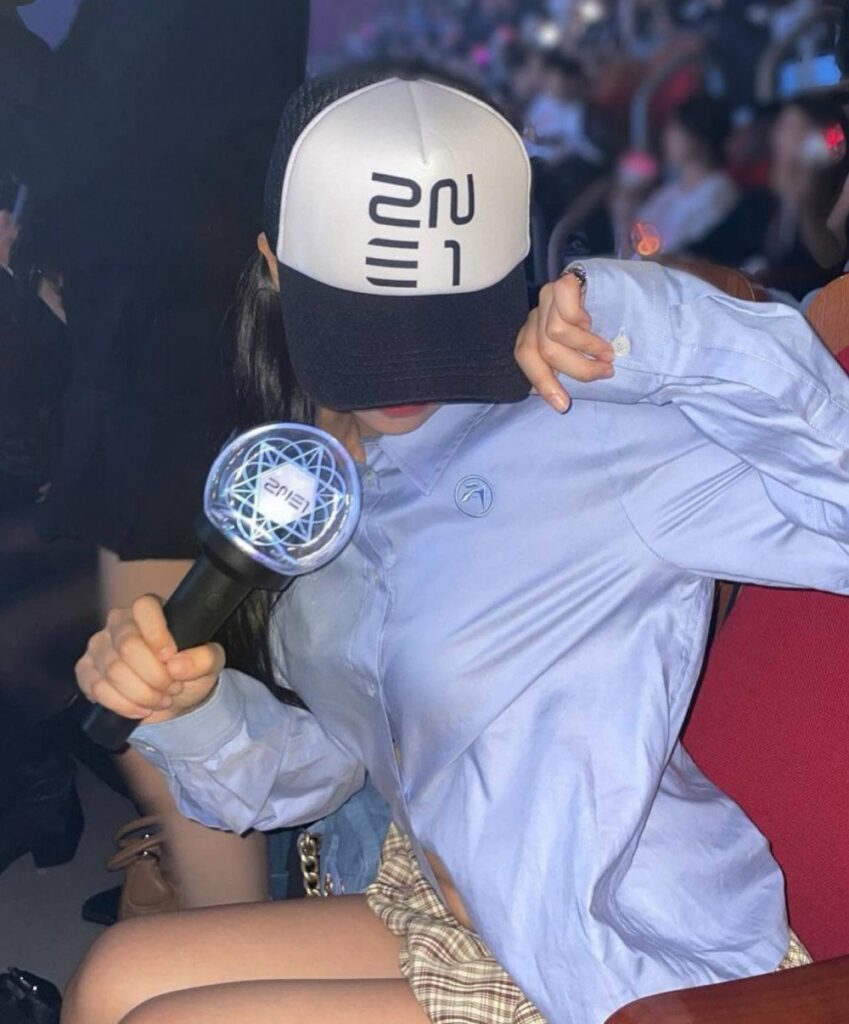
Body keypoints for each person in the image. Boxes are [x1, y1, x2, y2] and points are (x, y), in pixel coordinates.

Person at [65, 68, 849, 1024]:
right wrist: (193, 708)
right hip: (451, 907)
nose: (406, 377)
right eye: (366, 327)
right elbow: (339, 765)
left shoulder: (587, 427)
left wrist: (650, 320)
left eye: (441, 327)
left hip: (624, 954)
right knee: (114, 977)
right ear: (273, 265)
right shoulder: (319, 495)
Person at [628, 95, 738, 256]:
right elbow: (634, 244)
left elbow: (688, 251)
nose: (666, 137)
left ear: (699, 136)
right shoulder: (669, 192)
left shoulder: (719, 191)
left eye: (676, 129)